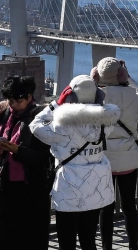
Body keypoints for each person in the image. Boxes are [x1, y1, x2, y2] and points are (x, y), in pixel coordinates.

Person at [30, 75, 120, 250]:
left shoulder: (62, 125)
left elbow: (35, 125)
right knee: (89, 240)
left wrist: (55, 104)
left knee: (67, 241)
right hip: (96, 187)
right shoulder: (106, 122)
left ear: (70, 95)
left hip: (68, 189)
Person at [0, 76, 52, 250]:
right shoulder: (5, 115)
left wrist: (17, 151)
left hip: (29, 189)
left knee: (26, 237)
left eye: (18, 100)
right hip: (4, 185)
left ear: (29, 97)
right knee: (3, 235)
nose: (13, 104)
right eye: (10, 100)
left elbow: (44, 158)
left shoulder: (40, 119)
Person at [93, 58, 138, 250]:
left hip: (104, 158)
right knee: (129, 207)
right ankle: (133, 246)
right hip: (128, 158)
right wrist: (128, 75)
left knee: (106, 208)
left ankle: (107, 247)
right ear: (122, 75)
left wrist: (94, 81)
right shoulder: (133, 97)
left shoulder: (95, 97)